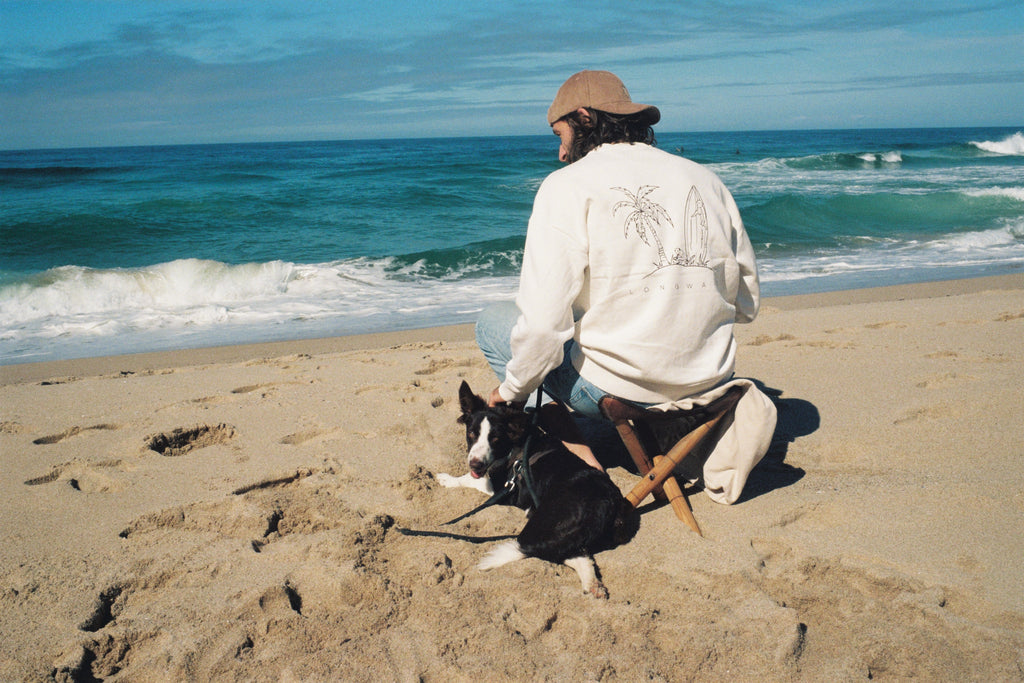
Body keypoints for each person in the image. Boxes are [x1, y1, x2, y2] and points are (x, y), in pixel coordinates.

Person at [475, 70, 760, 471]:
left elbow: (541, 330)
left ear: (583, 118)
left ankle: (577, 454)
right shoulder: (707, 180)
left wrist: (512, 392)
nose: (560, 153)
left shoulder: (567, 185)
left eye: (560, 136)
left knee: (493, 323)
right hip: (709, 383)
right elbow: (746, 303)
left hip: (621, 394)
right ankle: (665, 431)